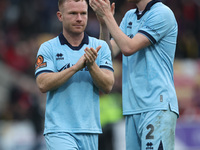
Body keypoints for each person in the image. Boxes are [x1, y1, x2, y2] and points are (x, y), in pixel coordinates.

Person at [89, 0, 179, 149]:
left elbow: (128, 47)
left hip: (157, 105)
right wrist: (104, 23)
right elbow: (107, 55)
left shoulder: (162, 13)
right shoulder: (130, 16)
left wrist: (108, 16)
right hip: (132, 107)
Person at [34, 0, 115, 149]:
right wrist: (75, 68)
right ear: (60, 16)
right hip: (59, 130)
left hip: (90, 130)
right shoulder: (48, 48)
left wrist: (91, 66)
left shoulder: (100, 47)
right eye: (73, 13)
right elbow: (42, 83)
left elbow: (108, 85)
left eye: (83, 13)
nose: (79, 18)